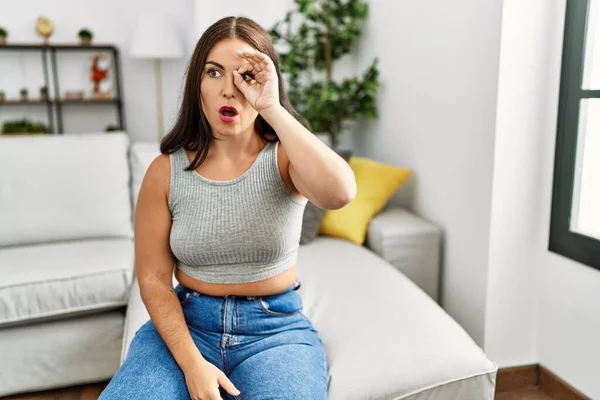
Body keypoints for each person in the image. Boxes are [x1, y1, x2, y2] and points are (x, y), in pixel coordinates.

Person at [99, 15, 356, 400]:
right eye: (214, 72)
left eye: (245, 75)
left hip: (275, 331)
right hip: (188, 327)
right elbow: (152, 278)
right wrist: (191, 364)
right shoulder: (164, 171)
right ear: (197, 84)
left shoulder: (286, 159)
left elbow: (340, 193)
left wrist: (271, 107)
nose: (229, 90)